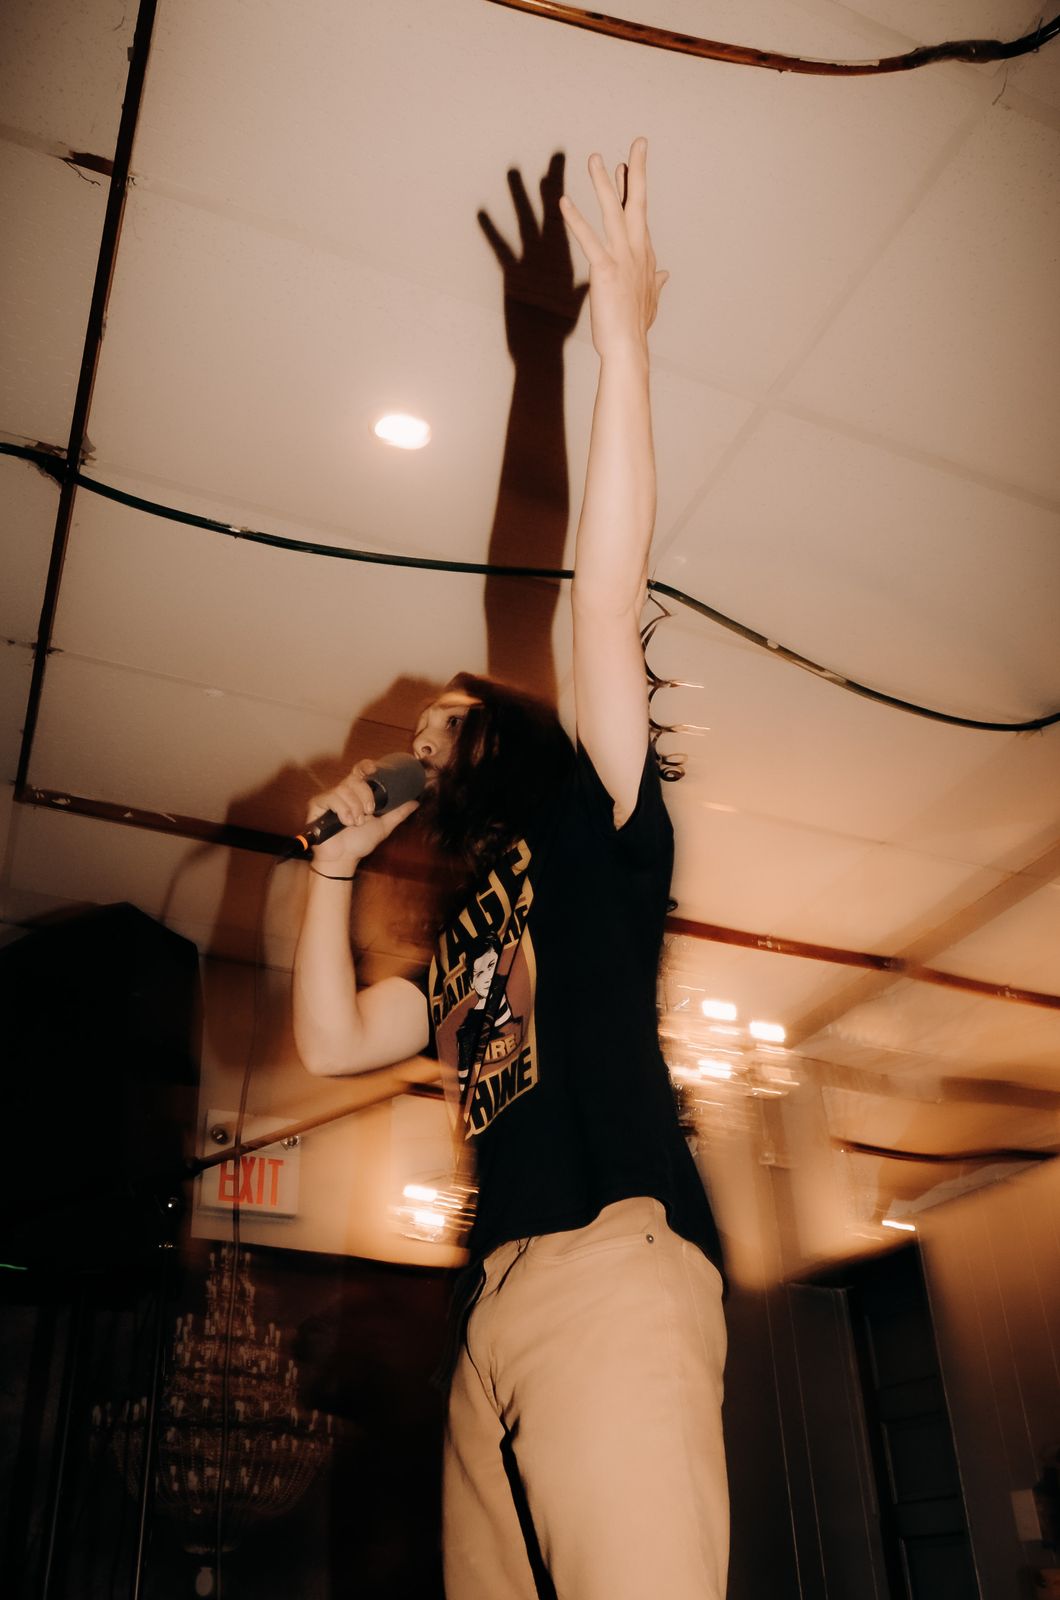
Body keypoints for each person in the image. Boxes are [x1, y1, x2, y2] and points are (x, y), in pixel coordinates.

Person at [292, 139, 728, 1600]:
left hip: (612, 1265)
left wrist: (619, 344)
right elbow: (332, 1040)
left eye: (447, 718)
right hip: (491, 1311)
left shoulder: (595, 819)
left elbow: (603, 600)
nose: (422, 736)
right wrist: (334, 874)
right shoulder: (465, 941)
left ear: (510, 734)